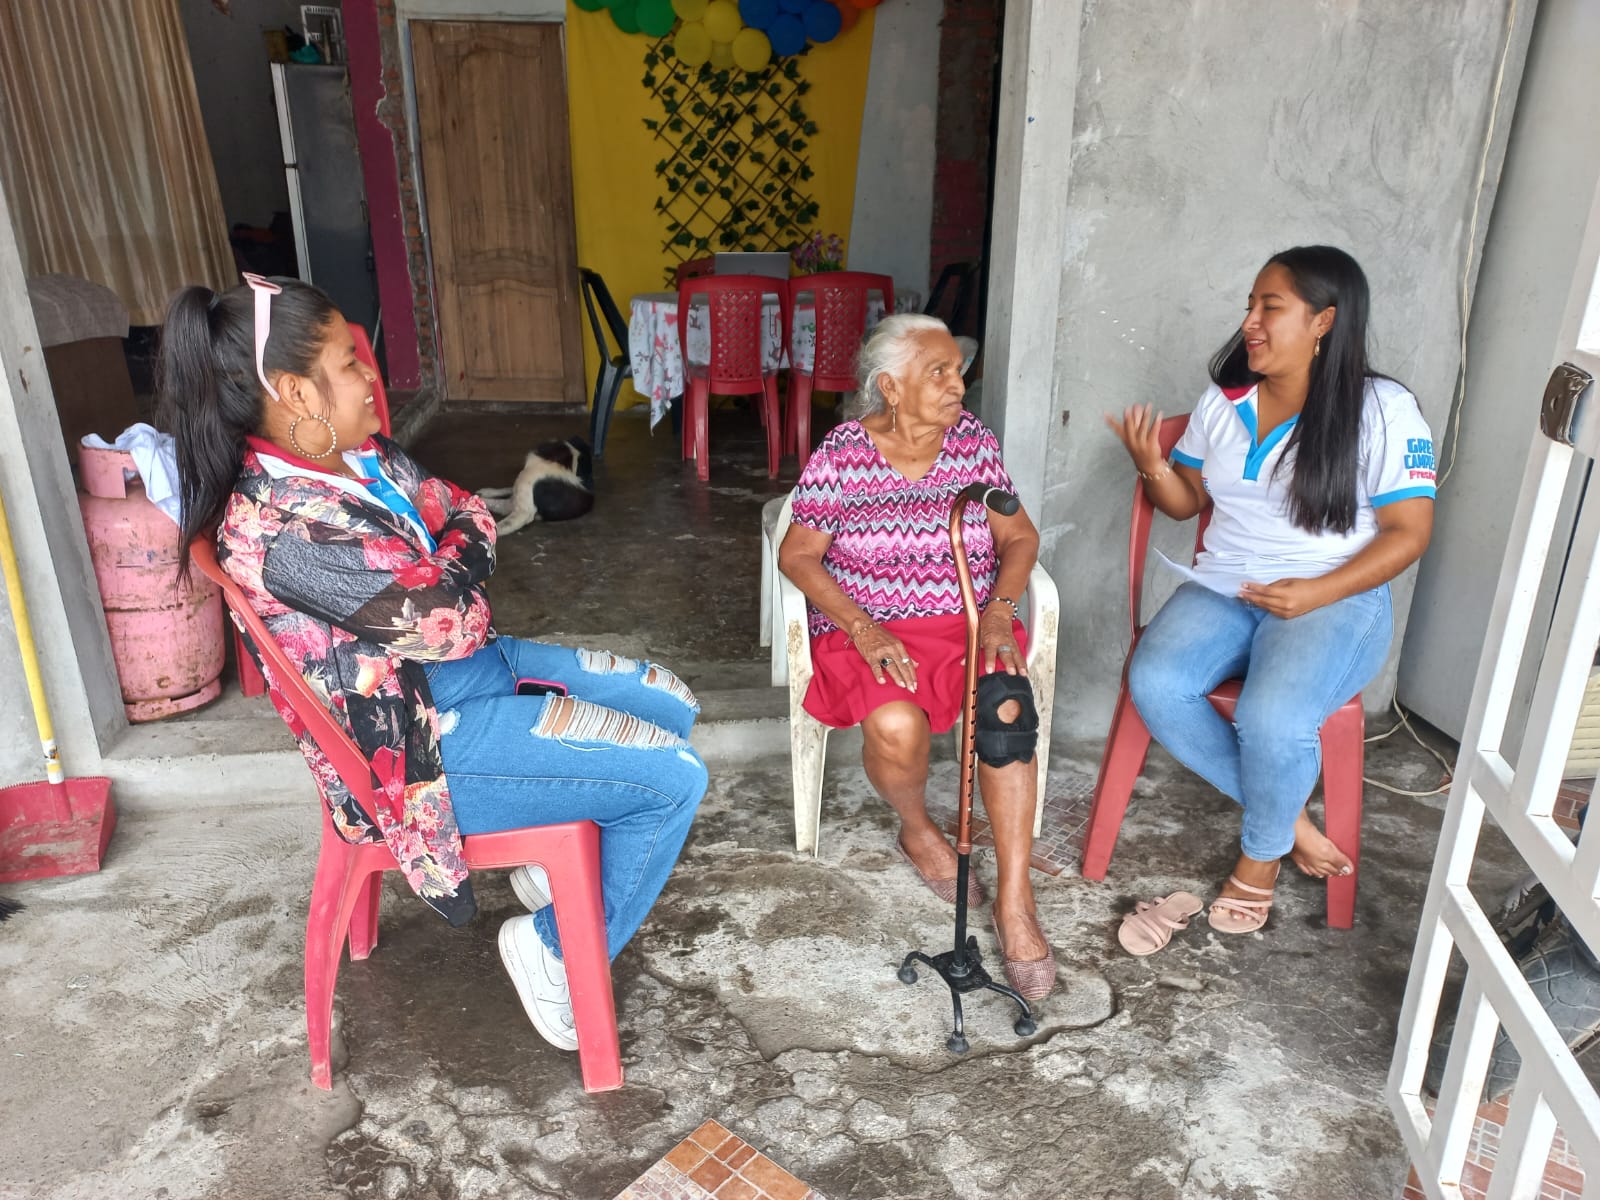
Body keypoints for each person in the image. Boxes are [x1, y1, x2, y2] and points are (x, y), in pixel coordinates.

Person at [159, 275, 707, 1050]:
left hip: (464, 674)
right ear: (295, 391)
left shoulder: (359, 455)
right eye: (349, 362)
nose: (370, 376)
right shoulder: (286, 530)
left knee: (671, 706)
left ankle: (552, 865)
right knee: (675, 778)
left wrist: (448, 576)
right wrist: (455, 577)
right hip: (421, 750)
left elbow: (472, 510)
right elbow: (450, 619)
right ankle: (551, 951)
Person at [1105, 245, 1435, 935]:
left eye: (1270, 307)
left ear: (1323, 321)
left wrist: (1316, 594)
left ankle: (1259, 857)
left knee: (1273, 718)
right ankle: (1290, 823)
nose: (1250, 322)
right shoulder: (1225, 400)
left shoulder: (1384, 409)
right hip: (1229, 585)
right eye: (1250, 306)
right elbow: (1186, 501)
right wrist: (1150, 466)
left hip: (1336, 595)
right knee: (1157, 681)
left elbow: (1408, 533)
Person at [778, 313, 1056, 1001]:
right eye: (939, 372)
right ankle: (917, 828)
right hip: (867, 628)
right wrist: (864, 629)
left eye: (958, 370)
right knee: (896, 725)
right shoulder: (844, 452)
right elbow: (798, 555)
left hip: (969, 623)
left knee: (1006, 710)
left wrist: (1000, 611)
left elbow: (1020, 537)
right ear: (890, 387)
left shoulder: (973, 443)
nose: (957, 384)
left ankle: (1015, 901)